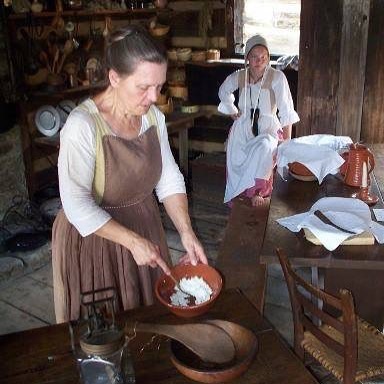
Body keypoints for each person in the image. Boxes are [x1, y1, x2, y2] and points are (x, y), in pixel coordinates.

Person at [52, 25, 207, 323]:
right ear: (114, 78)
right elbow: (75, 204)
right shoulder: (82, 126)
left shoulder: (153, 118)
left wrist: (186, 232)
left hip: (144, 226)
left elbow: (169, 178)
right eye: (143, 87)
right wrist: (131, 241)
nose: (154, 96)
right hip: (95, 239)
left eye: (159, 86)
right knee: (105, 329)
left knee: (146, 317)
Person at [218, 34, 299, 206]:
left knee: (265, 148)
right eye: (254, 57)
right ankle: (239, 192)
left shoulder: (277, 78)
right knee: (236, 153)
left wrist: (286, 142)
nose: (259, 61)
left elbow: (286, 111)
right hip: (244, 125)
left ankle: (258, 191)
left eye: (263, 57)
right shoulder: (240, 76)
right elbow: (223, 91)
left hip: (267, 126)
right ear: (247, 58)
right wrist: (232, 110)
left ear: (268, 58)